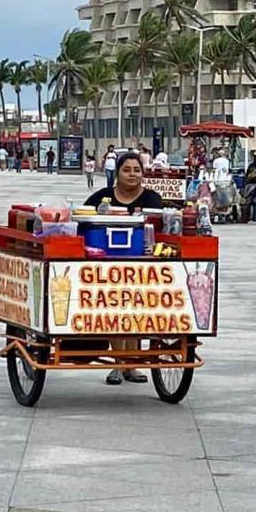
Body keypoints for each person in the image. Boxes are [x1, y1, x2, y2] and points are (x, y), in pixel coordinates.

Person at [84, 152, 164, 385]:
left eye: (136, 170)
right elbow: (84, 218)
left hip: (143, 266)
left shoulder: (152, 198)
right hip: (108, 268)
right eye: (126, 170)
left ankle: (131, 364)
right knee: (115, 307)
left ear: (143, 173)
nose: (132, 174)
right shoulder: (102, 197)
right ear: (117, 172)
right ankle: (119, 364)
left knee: (138, 309)